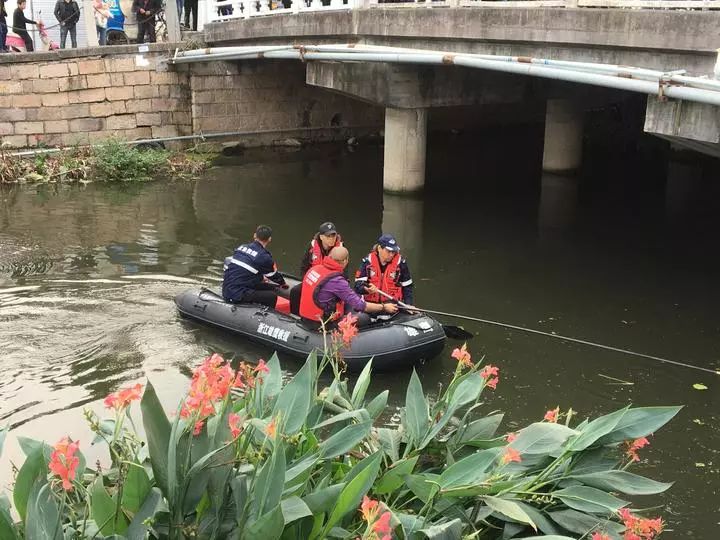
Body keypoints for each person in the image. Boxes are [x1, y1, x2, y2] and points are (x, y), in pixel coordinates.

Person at [299, 246, 398, 328]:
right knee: (364, 318)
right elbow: (361, 306)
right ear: (345, 261)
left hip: (306, 317)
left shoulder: (315, 268)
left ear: (329, 257)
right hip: (322, 323)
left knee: (354, 299)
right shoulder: (337, 281)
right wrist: (384, 307)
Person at [222, 225, 287, 309]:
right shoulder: (264, 257)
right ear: (269, 239)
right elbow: (274, 276)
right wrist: (283, 283)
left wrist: (261, 278)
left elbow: (247, 269)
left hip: (230, 287)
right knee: (272, 296)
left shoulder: (241, 247)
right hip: (236, 293)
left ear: (255, 235)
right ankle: (265, 316)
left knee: (273, 288)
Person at [354, 233, 414, 306]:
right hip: (372, 306)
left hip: (393, 306)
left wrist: (409, 305)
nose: (391, 254)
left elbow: (407, 286)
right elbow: (357, 286)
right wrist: (366, 289)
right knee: (362, 317)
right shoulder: (367, 262)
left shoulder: (401, 263)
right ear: (379, 248)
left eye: (393, 251)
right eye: (388, 251)